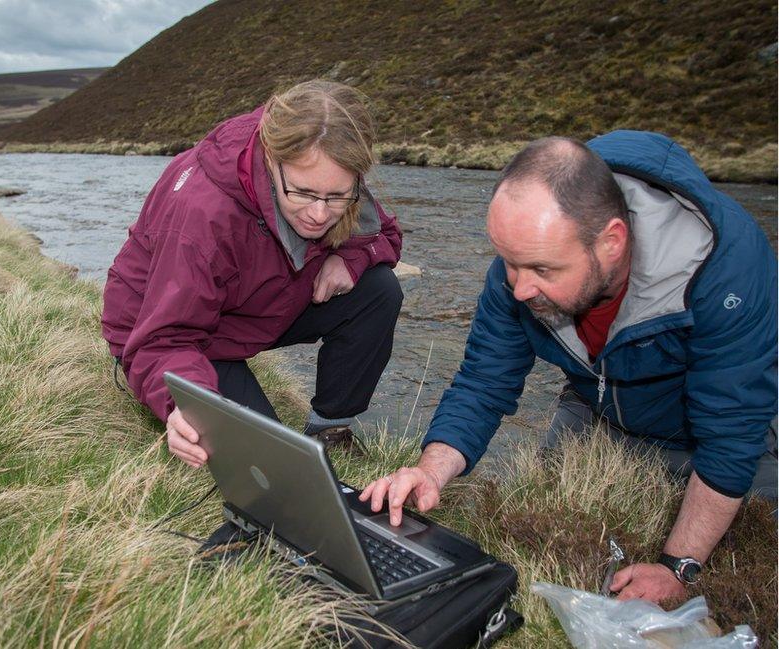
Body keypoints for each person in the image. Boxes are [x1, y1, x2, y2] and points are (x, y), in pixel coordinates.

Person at [360, 131, 777, 604]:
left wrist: (677, 567)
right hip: (593, 406)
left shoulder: (725, 269)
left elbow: (731, 434)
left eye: (542, 269)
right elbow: (484, 381)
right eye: (509, 263)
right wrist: (429, 472)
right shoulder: (522, 266)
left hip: (705, 428)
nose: (518, 288)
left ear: (611, 243)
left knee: (753, 543)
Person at [102, 80, 403, 467]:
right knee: (273, 464)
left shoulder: (327, 171)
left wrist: (351, 260)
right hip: (175, 333)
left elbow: (386, 235)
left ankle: (331, 429)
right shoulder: (204, 217)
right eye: (304, 194)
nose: (319, 213)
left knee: (379, 290)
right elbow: (164, 338)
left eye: (336, 197)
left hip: (259, 304)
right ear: (271, 160)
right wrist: (179, 404)